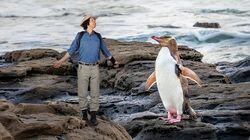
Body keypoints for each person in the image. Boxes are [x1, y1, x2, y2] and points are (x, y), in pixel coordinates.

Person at [53, 15, 118, 126]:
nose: (95, 21)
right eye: (93, 20)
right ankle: (84, 115)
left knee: (95, 93)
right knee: (82, 92)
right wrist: (60, 61)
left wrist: (114, 61)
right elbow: (71, 50)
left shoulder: (98, 36)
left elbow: (106, 51)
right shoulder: (80, 36)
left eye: (95, 20)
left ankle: (93, 116)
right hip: (82, 67)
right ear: (87, 23)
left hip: (95, 68)